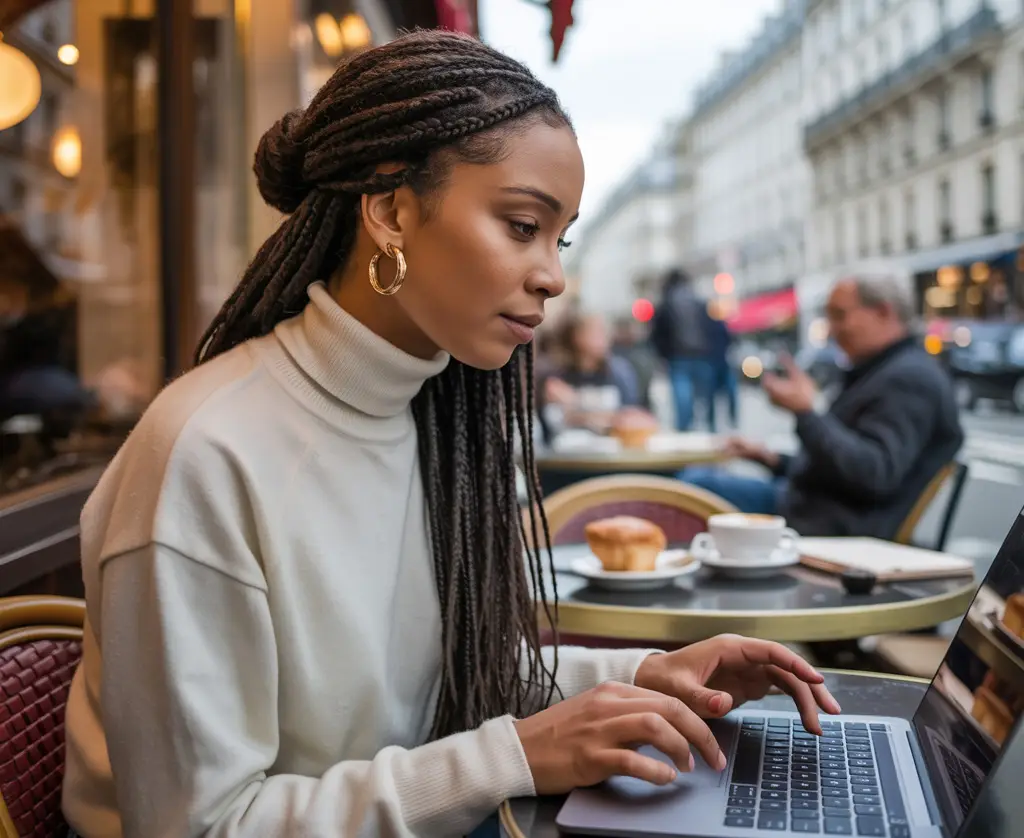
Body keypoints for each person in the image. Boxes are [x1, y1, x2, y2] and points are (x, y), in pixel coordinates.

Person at [61, 31, 838, 838]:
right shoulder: (204, 454)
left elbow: (452, 687)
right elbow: (200, 826)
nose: (554, 275)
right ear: (391, 210)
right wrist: (513, 756)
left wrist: (647, 676)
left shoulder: (438, 419)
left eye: (560, 237)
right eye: (521, 224)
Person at [683, 272, 964, 538]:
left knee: (688, 488)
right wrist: (770, 458)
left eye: (840, 316)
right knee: (693, 480)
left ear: (883, 312)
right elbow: (837, 468)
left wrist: (806, 412)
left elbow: (872, 475)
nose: (831, 330)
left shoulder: (909, 378)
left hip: (828, 527)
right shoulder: (886, 370)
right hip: (812, 509)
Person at [537, 310, 640, 439]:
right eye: (597, 331)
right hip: (565, 453)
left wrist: (575, 402)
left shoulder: (619, 372)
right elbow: (551, 423)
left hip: (610, 451)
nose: (605, 337)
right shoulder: (555, 376)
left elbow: (630, 419)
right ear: (577, 336)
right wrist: (601, 416)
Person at [650, 268, 714, 430]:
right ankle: (708, 426)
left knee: (682, 395)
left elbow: (658, 333)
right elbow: (709, 327)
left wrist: (662, 354)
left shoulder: (666, 302)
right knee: (703, 394)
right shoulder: (698, 301)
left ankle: (684, 428)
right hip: (700, 353)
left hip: (677, 355)